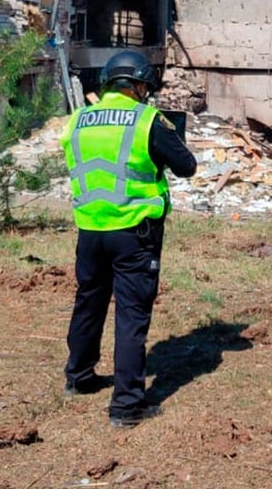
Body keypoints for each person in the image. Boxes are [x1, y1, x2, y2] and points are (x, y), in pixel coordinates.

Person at [59, 49, 197, 428]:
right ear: (137, 86)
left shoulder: (78, 120)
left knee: (88, 303)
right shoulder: (146, 120)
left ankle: (79, 376)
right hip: (133, 233)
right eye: (144, 88)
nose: (146, 94)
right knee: (132, 315)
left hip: (90, 230)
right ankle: (127, 406)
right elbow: (187, 167)